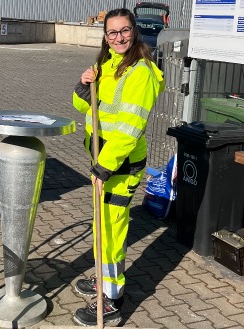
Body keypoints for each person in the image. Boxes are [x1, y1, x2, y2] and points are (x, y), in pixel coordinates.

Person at [72, 8, 165, 326]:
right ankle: (104, 281)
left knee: (111, 232)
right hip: (102, 161)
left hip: (119, 165)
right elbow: (89, 106)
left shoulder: (142, 72)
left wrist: (104, 168)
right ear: (105, 36)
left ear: (134, 31)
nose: (119, 37)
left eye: (124, 31)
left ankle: (111, 300)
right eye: (112, 33)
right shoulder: (106, 62)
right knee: (102, 227)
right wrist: (84, 87)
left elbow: (129, 128)